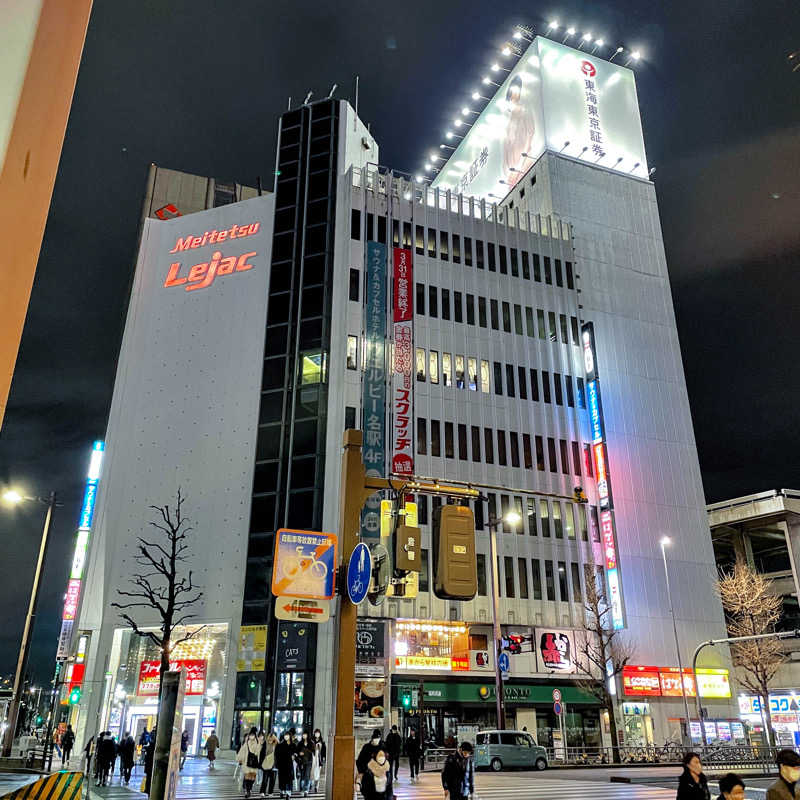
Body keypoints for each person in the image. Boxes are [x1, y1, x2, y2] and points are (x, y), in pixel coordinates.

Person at [356, 729, 389, 797]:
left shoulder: (383, 747)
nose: (376, 740)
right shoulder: (366, 747)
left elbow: (387, 763)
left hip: (380, 780)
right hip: (368, 778)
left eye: (378, 738)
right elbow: (360, 761)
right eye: (375, 738)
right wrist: (363, 771)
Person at [238, 726, 262, 799]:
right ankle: (248, 791)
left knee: (252, 778)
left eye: (253, 735)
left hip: (254, 763)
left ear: (255, 736)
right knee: (247, 777)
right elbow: (242, 751)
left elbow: (258, 752)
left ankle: (250, 789)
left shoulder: (258, 743)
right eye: (251, 735)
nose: (252, 736)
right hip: (246, 763)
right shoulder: (247, 743)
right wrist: (240, 758)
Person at [274, 731, 295, 800]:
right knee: (282, 779)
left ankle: (288, 793)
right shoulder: (280, 745)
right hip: (282, 765)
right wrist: (277, 764)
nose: (286, 736)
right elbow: (276, 754)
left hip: (289, 765)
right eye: (285, 735)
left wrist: (294, 756)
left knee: (289, 780)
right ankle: (282, 791)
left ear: (290, 736)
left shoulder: (293, 745)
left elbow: (296, 752)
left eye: (287, 735)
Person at [295, 731, 314, 796]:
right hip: (301, 762)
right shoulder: (300, 743)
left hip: (309, 761)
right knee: (302, 775)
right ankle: (301, 789)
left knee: (307, 775)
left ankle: (306, 789)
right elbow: (296, 752)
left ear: (308, 735)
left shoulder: (311, 743)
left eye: (305, 734)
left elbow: (312, 752)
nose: (304, 736)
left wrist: (305, 751)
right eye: (303, 734)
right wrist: (299, 754)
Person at [260, 731, 278, 797]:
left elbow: (278, 743)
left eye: (272, 737)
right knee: (265, 779)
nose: (270, 738)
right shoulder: (265, 744)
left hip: (274, 764)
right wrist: (261, 763)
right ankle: (262, 791)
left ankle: (270, 792)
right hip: (266, 763)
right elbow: (261, 754)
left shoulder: (275, 745)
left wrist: (274, 737)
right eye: (269, 736)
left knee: (272, 780)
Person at [144, 726, 157, 795]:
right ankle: (150, 790)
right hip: (152, 766)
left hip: (149, 766)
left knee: (148, 778)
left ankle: (147, 789)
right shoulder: (154, 748)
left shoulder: (149, 748)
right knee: (151, 778)